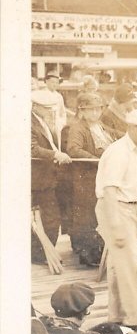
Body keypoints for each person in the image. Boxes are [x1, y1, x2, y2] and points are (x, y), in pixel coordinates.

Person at [95, 109, 137, 332]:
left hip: (131, 208)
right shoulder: (118, 152)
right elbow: (110, 190)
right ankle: (136, 318)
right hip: (114, 208)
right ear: (133, 128)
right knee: (131, 263)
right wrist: (115, 224)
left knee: (119, 265)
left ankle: (115, 316)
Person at [65, 93, 114, 266]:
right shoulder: (78, 128)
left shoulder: (100, 126)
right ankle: (87, 255)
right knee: (87, 217)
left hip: (100, 178)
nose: (95, 113)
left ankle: (97, 251)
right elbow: (73, 149)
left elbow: (116, 134)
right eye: (91, 110)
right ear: (82, 111)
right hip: (86, 179)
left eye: (98, 109)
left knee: (98, 215)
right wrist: (98, 160)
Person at [31, 90, 72, 264]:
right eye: (46, 108)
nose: (51, 112)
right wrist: (55, 154)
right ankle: (41, 255)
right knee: (50, 217)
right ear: (35, 107)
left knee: (52, 217)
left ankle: (43, 253)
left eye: (52, 108)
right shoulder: (29, 123)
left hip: (49, 176)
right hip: (39, 178)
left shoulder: (43, 120)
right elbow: (32, 149)